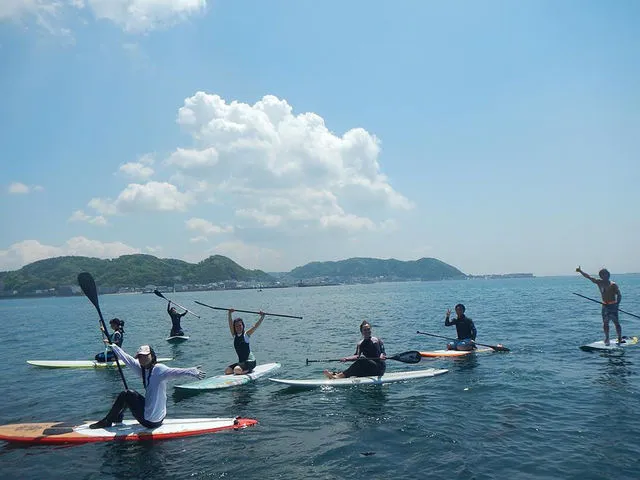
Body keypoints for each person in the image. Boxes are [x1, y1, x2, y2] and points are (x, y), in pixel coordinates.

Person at [89, 344, 205, 429]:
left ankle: (108, 420)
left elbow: (174, 372)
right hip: (158, 417)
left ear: (152, 356)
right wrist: (114, 347)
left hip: (150, 421)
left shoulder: (159, 369)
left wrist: (190, 371)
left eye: (145, 356)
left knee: (127, 394)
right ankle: (117, 418)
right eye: (139, 357)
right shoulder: (143, 370)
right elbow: (128, 359)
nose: (142, 359)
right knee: (128, 395)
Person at [576, 266, 622, 345]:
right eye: (602, 275)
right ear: (600, 276)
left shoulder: (613, 285)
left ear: (608, 275)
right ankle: (607, 338)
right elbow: (588, 277)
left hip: (612, 306)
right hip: (604, 306)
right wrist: (580, 271)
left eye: (605, 275)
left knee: (616, 323)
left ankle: (619, 337)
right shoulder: (599, 282)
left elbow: (619, 295)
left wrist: (617, 305)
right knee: (605, 323)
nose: (604, 276)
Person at [225, 308, 265, 375]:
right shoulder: (235, 335)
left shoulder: (246, 335)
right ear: (234, 327)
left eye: (240, 325)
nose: (238, 327)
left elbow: (255, 326)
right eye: (236, 326)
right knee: (227, 371)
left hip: (250, 361)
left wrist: (262, 316)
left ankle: (248, 371)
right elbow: (230, 324)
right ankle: (240, 370)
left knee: (236, 370)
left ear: (243, 326)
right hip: (241, 362)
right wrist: (229, 314)